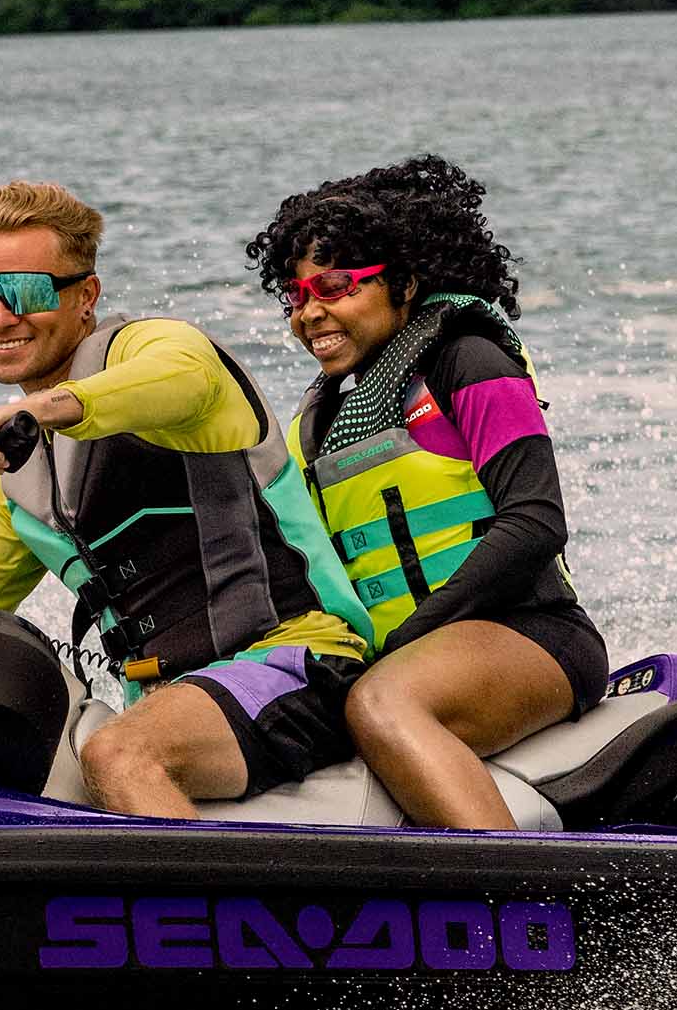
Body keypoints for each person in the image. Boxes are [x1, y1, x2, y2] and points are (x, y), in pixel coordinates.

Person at [0, 180, 377, 819]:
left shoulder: (153, 349)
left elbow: (182, 378)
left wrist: (37, 408)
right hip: (175, 703)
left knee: (118, 756)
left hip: (299, 665)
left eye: (26, 291)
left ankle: (216, 918)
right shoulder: (18, 486)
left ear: (87, 297)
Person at [252, 157, 606, 830]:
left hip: (529, 633)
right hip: (407, 656)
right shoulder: (318, 422)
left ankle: (517, 896)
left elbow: (535, 522)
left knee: (382, 705)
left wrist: (413, 636)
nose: (309, 313)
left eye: (332, 287)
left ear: (404, 283)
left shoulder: (469, 363)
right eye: (294, 297)